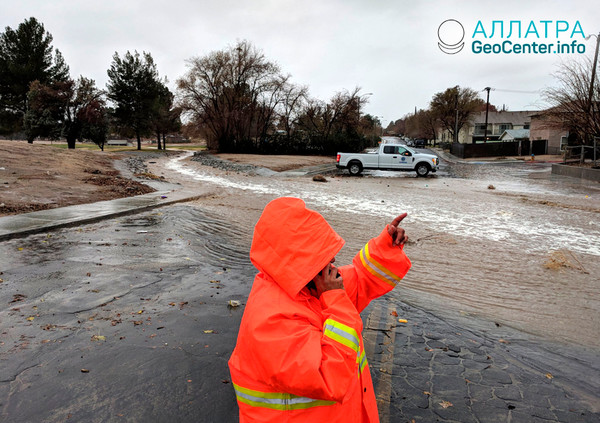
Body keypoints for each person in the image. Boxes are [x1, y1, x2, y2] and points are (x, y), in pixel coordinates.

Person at [228, 197, 411, 422]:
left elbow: (360, 280)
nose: (333, 258)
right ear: (299, 259)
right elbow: (329, 377)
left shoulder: (306, 284)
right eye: (323, 253)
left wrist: (386, 246)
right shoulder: (271, 321)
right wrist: (333, 296)